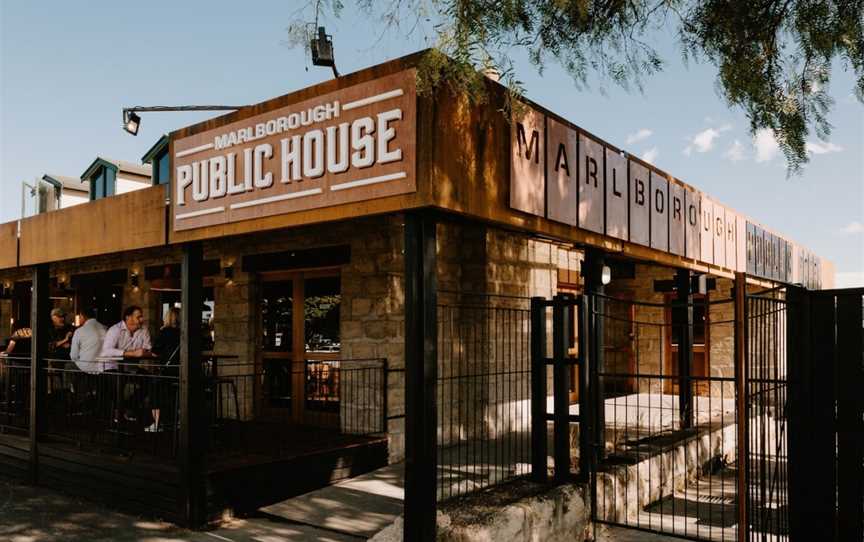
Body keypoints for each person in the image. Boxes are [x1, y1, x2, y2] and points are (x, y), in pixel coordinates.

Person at [146, 307, 180, 432]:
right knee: (174, 394)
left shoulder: (166, 332)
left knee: (155, 390)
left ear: (168, 318)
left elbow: (154, 352)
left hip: (169, 371)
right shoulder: (184, 332)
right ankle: (177, 420)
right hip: (183, 371)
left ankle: (157, 423)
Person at [100, 305, 153, 371]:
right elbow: (106, 351)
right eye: (139, 317)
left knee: (148, 378)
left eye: (141, 317)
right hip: (111, 368)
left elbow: (148, 348)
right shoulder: (115, 330)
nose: (142, 319)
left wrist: (145, 352)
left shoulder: (144, 329)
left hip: (131, 368)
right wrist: (132, 353)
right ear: (128, 318)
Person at [70, 306, 107, 373]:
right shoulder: (105, 328)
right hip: (103, 369)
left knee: (68, 366)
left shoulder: (79, 331)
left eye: (80, 317)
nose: (80, 319)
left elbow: (73, 356)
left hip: (85, 369)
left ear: (83, 316)